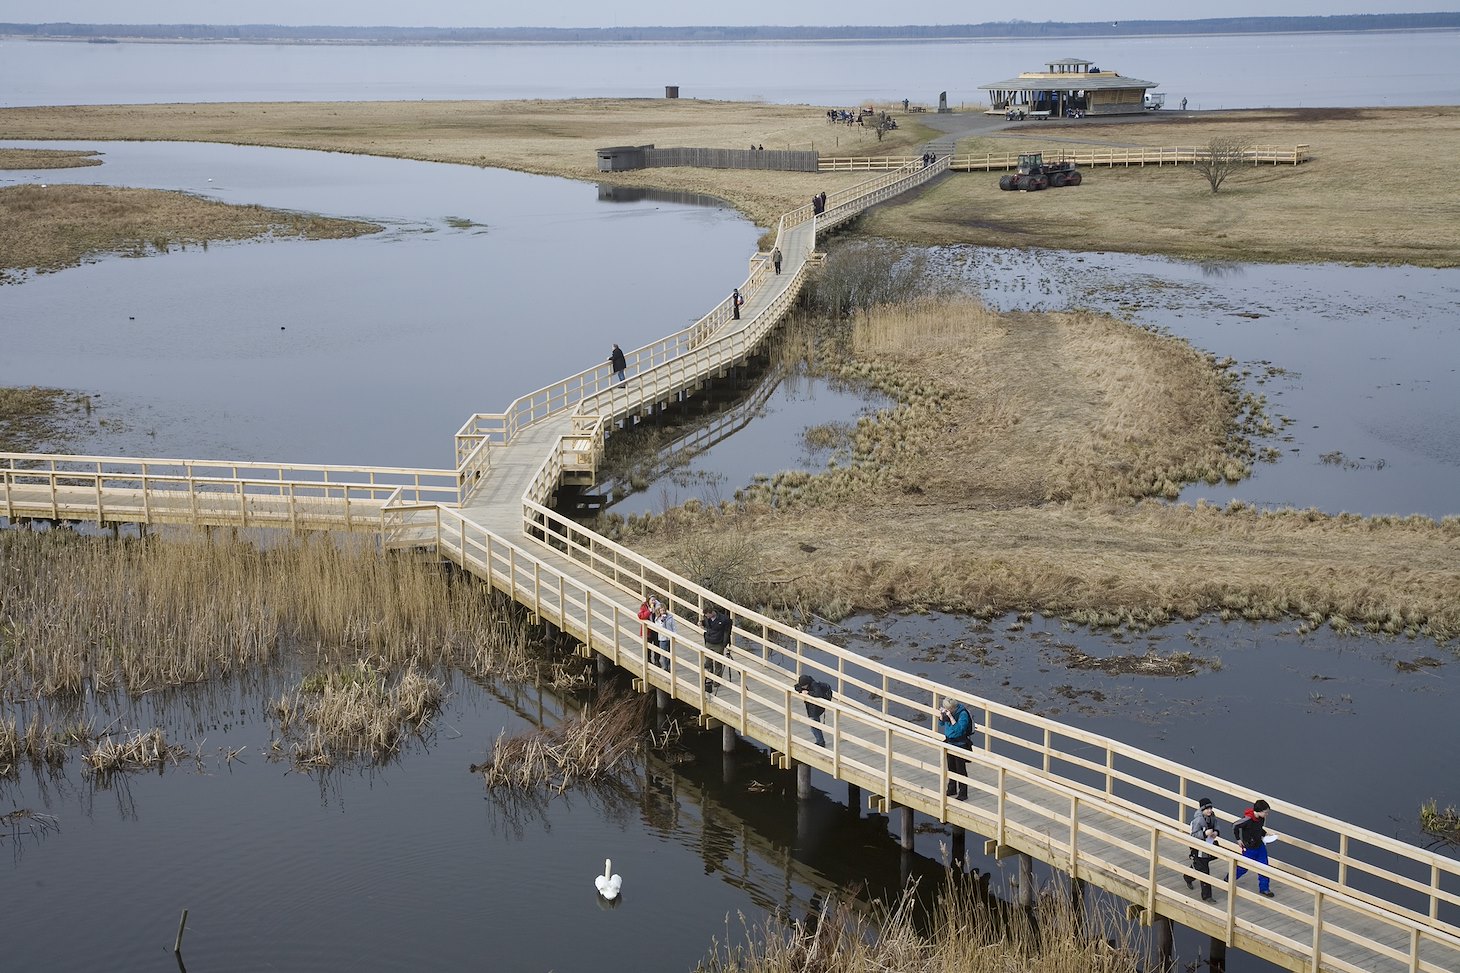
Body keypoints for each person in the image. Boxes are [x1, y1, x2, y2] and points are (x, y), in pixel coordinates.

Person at [1232, 798, 1275, 897]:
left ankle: (1264, 888)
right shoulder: (1247, 819)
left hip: (1259, 846)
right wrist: (1238, 839)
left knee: (1264, 867)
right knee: (1243, 868)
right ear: (1259, 811)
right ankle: (1229, 879)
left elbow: (1258, 828)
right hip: (1249, 848)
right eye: (1265, 812)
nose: (1266, 814)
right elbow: (1235, 826)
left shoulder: (1262, 818)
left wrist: (1265, 834)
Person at [937, 697, 973, 799]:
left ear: (952, 708)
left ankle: (963, 793)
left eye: (947, 709)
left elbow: (959, 731)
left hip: (960, 744)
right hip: (949, 742)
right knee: (951, 767)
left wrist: (951, 718)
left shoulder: (963, 715)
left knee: (960, 769)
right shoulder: (949, 712)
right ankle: (952, 789)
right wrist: (941, 715)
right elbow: (941, 723)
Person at [1185, 797, 1221, 900]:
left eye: (1210, 808)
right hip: (1198, 848)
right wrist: (1205, 834)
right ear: (1202, 809)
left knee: (1200, 866)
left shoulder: (1212, 816)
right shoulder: (1198, 820)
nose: (1209, 810)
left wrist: (1216, 832)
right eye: (1207, 809)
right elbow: (1193, 835)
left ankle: (1188, 876)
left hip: (1208, 846)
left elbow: (1217, 825)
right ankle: (1207, 896)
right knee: (1205, 871)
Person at [794, 674, 833, 746]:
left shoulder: (814, 685)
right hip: (811, 706)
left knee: (814, 725)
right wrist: (802, 690)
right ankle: (819, 741)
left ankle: (820, 742)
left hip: (816, 707)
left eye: (803, 686)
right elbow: (796, 687)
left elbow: (818, 694)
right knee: (814, 724)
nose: (802, 687)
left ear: (807, 684)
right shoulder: (805, 684)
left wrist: (808, 692)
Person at [701, 604, 732, 692]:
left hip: (718, 642)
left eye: (707, 615)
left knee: (718, 662)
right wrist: (702, 623)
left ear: (711, 613)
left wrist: (725, 644)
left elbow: (727, 632)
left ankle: (717, 681)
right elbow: (705, 623)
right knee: (708, 661)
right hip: (709, 641)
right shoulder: (707, 618)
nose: (706, 617)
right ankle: (709, 678)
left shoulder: (723, 619)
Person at [651, 601, 675, 670]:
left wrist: (675, 635)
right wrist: (662, 621)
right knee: (664, 654)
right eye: (661, 611)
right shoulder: (657, 619)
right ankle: (665, 667)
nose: (663, 612)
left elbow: (673, 626)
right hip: (662, 638)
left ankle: (670, 666)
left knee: (671, 653)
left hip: (670, 638)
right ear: (659, 611)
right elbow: (658, 628)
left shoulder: (670, 617)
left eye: (664, 610)